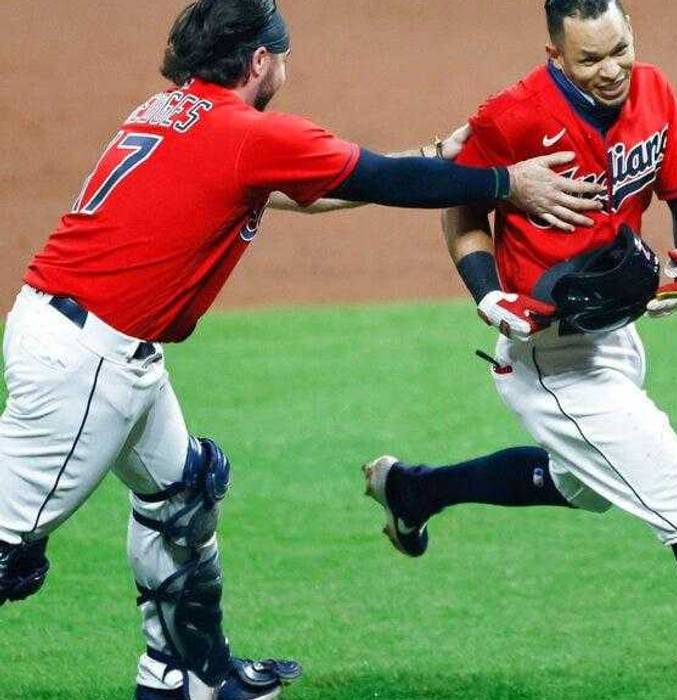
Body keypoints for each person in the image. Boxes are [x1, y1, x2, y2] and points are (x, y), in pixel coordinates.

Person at [0, 1, 605, 699]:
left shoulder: (169, 111)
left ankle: (185, 675)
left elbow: (311, 192)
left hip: (86, 338)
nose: (286, 67)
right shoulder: (245, 134)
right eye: (280, 56)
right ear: (260, 62)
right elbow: (373, 177)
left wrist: (437, 156)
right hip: (86, 364)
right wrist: (505, 183)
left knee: (182, 495)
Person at [359, 0, 677, 687]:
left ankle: (413, 490)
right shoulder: (513, 116)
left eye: (620, 49)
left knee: (578, 485)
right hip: (548, 357)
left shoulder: (653, 89)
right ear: (556, 56)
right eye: (590, 59)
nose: (612, 70)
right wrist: (487, 293)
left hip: (615, 336)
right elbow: (460, 208)